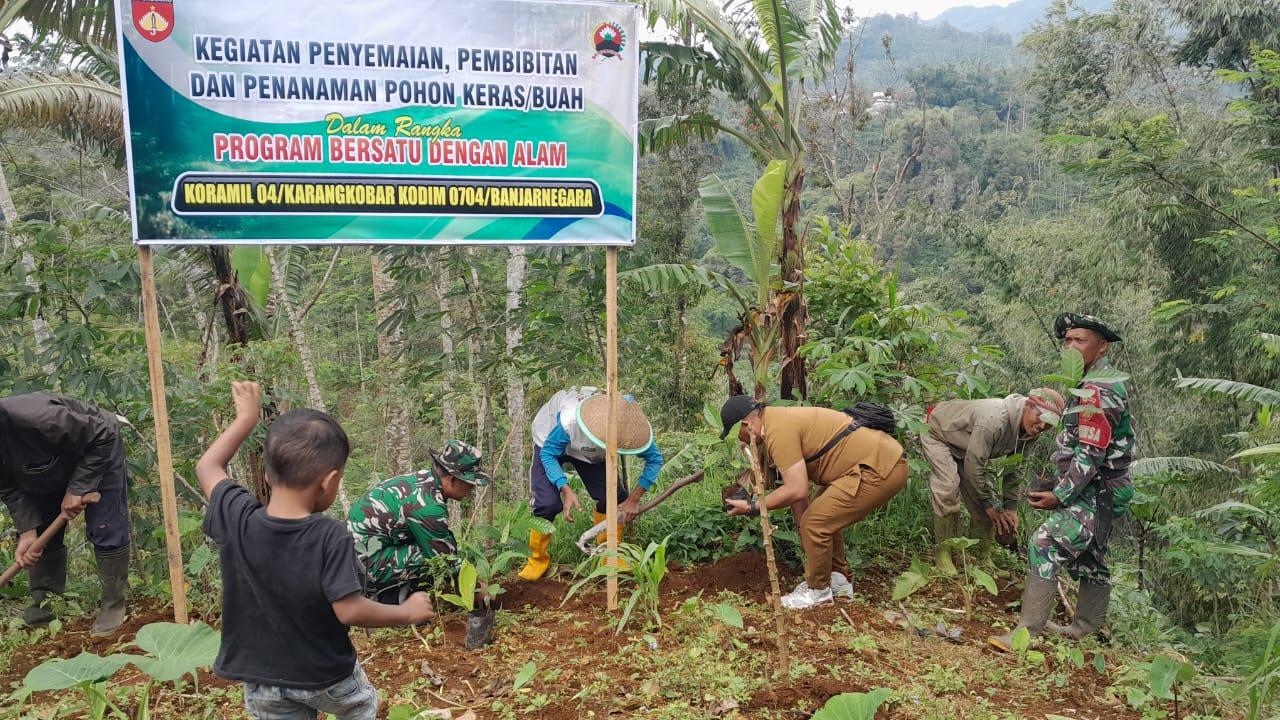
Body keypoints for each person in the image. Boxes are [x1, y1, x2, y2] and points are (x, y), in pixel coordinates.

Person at [196, 382, 433, 720]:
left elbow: (207, 467)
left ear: (266, 472)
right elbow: (349, 610)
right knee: (360, 710)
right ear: (329, 481)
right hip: (326, 676)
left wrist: (246, 419)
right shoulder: (328, 534)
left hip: (262, 681)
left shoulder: (238, 520)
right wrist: (407, 613)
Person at [990, 314, 1136, 651]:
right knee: (1090, 557)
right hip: (1097, 489)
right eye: (1067, 341)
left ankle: (1025, 634)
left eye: (1079, 340)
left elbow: (1091, 453)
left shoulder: (1098, 389)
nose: (1070, 347)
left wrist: (1059, 494)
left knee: (1044, 543)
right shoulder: (1087, 382)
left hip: (1098, 490)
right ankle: (1087, 627)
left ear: (1102, 347)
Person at [719, 396, 908, 609]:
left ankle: (818, 592)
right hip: (873, 464)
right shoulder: (777, 420)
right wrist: (805, 527)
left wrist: (752, 507)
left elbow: (796, 489)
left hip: (878, 468)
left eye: (738, 434)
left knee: (817, 522)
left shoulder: (777, 431)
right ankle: (838, 581)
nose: (741, 440)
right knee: (820, 517)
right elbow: (800, 496)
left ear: (747, 424)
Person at [0, 392, 131, 635]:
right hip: (40, 469)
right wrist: (28, 532)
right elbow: (7, 487)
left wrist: (78, 488)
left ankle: (113, 606)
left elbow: (103, 435)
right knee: (42, 531)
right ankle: (44, 607)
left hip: (98, 449)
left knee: (105, 527)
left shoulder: (40, 417)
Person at [517, 387, 664, 581]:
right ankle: (537, 560)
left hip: (591, 453)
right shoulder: (570, 421)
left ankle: (609, 556)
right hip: (549, 441)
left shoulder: (632, 426)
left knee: (613, 499)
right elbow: (548, 454)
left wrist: (633, 499)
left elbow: (655, 460)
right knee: (547, 504)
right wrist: (565, 489)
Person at [921, 388, 1065, 574]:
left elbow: (1016, 468)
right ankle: (943, 554)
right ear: (1028, 405)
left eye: (1048, 425)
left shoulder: (1030, 431)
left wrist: (1010, 507)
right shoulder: (995, 419)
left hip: (968, 447)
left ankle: (980, 559)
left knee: (989, 504)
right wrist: (990, 505)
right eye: (1040, 417)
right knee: (948, 489)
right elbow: (974, 465)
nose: (1041, 426)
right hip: (939, 434)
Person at [347, 440, 489, 601]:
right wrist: (477, 588)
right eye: (470, 483)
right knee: (432, 558)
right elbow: (444, 559)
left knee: (446, 542)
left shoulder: (424, 479)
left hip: (362, 552)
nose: (471, 489)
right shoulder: (428, 507)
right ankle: (394, 600)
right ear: (452, 480)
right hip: (365, 563)